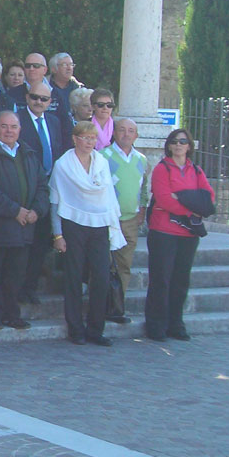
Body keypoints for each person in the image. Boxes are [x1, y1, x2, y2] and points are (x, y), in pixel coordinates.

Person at [50, 121, 125, 347]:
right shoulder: (63, 164)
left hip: (100, 224)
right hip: (73, 224)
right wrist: (58, 235)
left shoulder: (101, 161)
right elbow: (55, 200)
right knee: (74, 278)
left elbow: (107, 194)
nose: (89, 142)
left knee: (101, 277)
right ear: (75, 139)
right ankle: (76, 329)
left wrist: (113, 225)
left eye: (93, 138)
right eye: (84, 138)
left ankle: (96, 329)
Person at [0, 110, 48, 330]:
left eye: (13, 127)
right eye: (4, 126)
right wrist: (15, 211)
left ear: (20, 129)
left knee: (16, 275)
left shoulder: (28, 152)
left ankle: (11, 314)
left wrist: (37, 211)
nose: (9, 131)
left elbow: (43, 187)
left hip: (24, 227)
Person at [144, 128, 215, 342]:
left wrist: (182, 197)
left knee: (180, 281)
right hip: (163, 232)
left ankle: (176, 323)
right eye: (174, 141)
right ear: (169, 145)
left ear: (189, 146)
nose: (178, 145)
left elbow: (208, 198)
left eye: (183, 141)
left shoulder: (197, 170)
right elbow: (164, 199)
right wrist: (190, 206)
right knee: (161, 280)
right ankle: (156, 325)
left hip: (187, 234)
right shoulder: (161, 169)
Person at [18, 80, 73, 304]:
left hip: (49, 189)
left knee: (40, 243)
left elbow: (58, 151)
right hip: (25, 189)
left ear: (50, 102)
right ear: (27, 98)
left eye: (44, 99)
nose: (38, 102)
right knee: (22, 245)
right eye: (34, 97)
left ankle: (29, 288)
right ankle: (17, 289)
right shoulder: (17, 121)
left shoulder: (53, 121)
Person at [102, 117, 148, 325]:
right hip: (108, 220)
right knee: (103, 265)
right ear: (114, 132)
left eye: (131, 131)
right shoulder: (103, 156)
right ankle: (100, 307)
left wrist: (142, 212)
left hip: (130, 220)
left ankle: (117, 308)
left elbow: (144, 189)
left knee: (124, 266)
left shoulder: (142, 160)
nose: (126, 134)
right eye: (122, 130)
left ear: (136, 136)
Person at [48, 52, 82, 117]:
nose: (69, 68)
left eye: (71, 65)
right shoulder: (44, 87)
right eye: (64, 65)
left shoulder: (79, 89)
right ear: (53, 69)